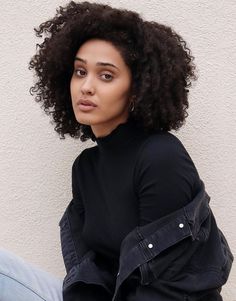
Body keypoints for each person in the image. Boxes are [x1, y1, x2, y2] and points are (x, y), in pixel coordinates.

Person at [0, 1, 233, 301]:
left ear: (136, 91)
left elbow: (169, 287)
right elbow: (92, 275)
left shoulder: (161, 157)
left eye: (106, 75)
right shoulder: (85, 167)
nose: (86, 87)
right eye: (80, 71)